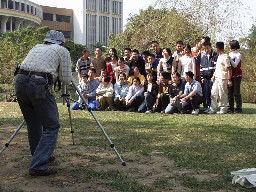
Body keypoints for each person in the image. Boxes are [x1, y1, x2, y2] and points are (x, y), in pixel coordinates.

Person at [14, 30, 72, 176]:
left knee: (33, 123)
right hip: (39, 83)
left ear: (46, 41)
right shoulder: (62, 50)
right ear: (63, 43)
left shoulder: (36, 47)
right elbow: (66, 79)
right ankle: (38, 165)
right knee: (52, 125)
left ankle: (39, 155)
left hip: (20, 81)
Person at [208, 42, 232, 114]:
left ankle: (223, 109)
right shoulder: (219, 56)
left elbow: (229, 69)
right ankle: (213, 108)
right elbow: (217, 68)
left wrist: (229, 80)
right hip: (217, 77)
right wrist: (213, 76)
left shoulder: (225, 57)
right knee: (213, 93)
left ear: (217, 48)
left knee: (222, 93)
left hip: (223, 78)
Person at [200, 41, 218, 112]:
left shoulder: (215, 55)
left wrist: (214, 76)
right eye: (204, 49)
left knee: (213, 93)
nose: (206, 50)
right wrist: (202, 77)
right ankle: (208, 106)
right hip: (206, 78)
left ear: (211, 47)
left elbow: (216, 67)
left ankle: (213, 107)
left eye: (207, 48)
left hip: (213, 77)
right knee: (207, 93)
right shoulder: (203, 56)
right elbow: (201, 67)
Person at [228, 40, 242, 114]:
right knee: (230, 92)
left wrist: (229, 58)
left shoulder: (238, 54)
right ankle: (231, 107)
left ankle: (238, 108)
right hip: (230, 75)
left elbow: (235, 65)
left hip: (237, 75)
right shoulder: (230, 53)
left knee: (236, 92)